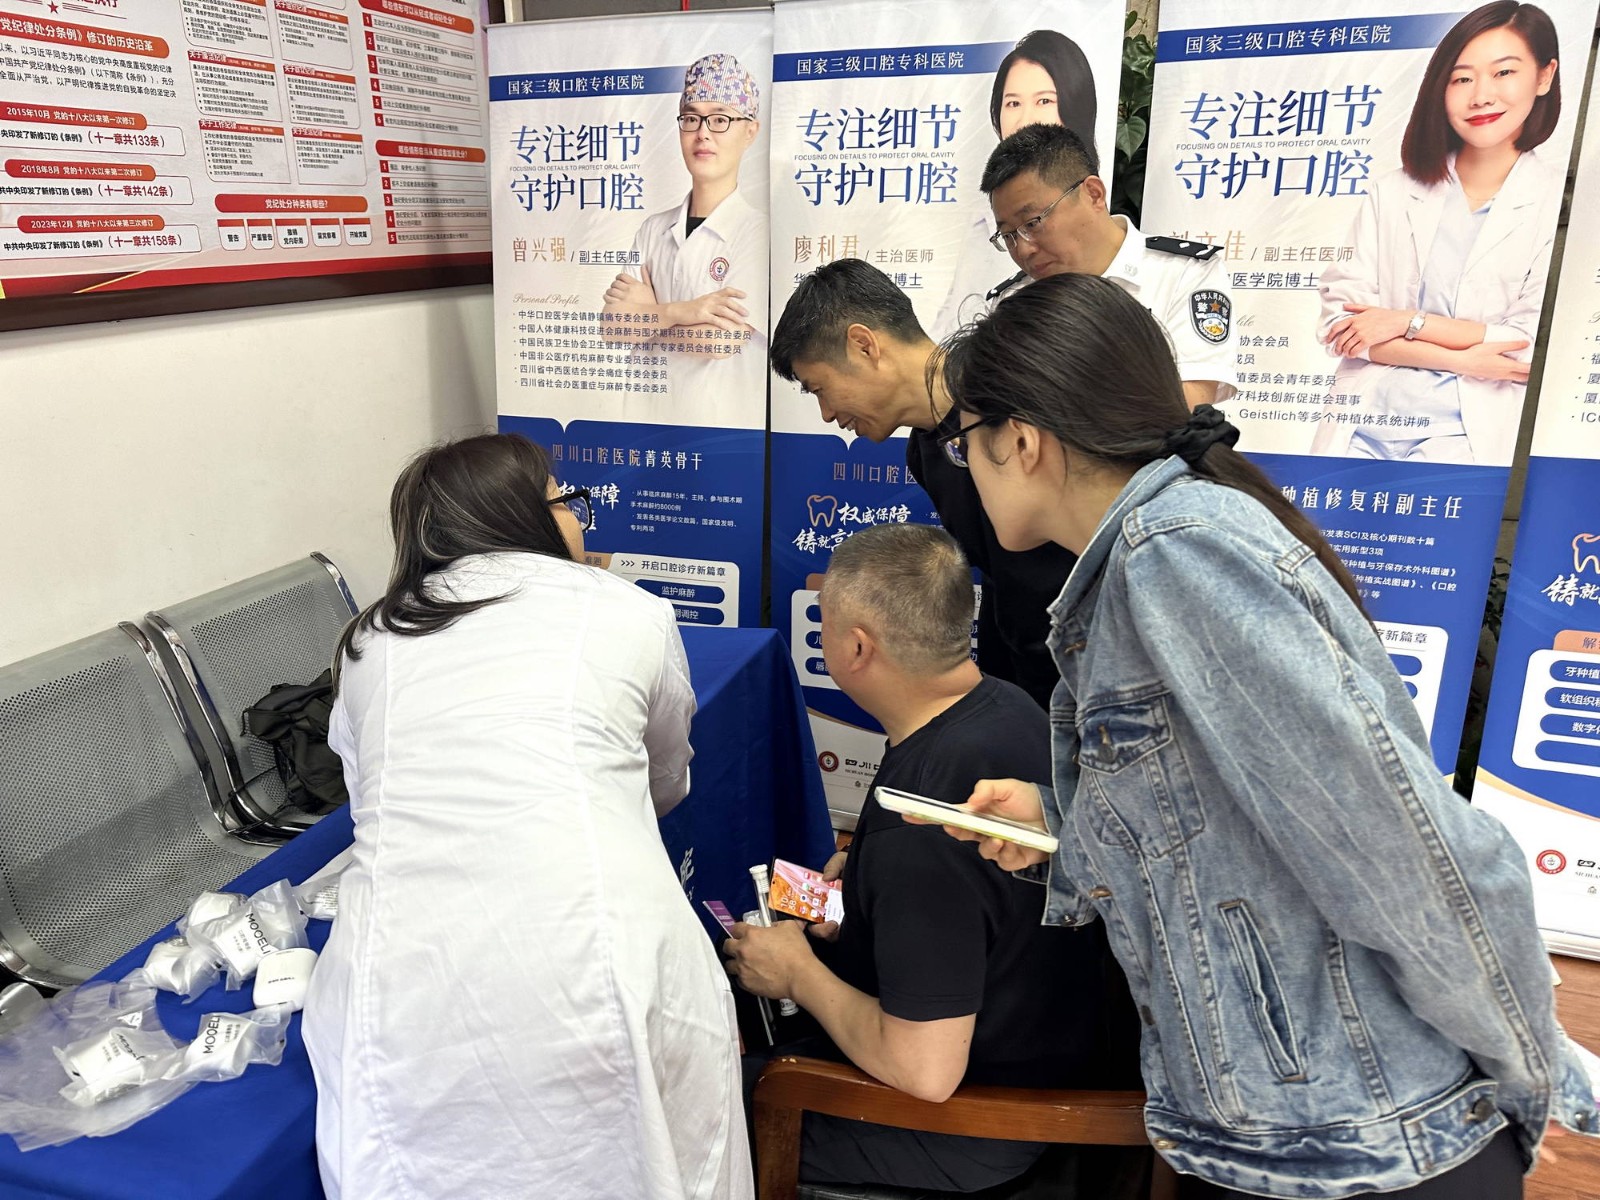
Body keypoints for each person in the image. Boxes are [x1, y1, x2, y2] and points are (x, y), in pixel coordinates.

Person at [916, 272, 1598, 1199]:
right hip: (1290, 1131)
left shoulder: (1178, 556)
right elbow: (1224, 821)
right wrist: (1059, 824)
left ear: (1024, 440)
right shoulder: (1150, 557)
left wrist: (1527, 1072)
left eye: (963, 441)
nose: (962, 465)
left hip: (1360, 1145)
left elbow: (1398, 848)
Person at [302, 433, 752, 1200]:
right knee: (652, 1162)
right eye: (565, 500)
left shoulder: (370, 638)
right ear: (521, 514)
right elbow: (665, 778)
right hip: (598, 950)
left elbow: (369, 791)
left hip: (405, 981)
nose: (577, 516)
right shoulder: (628, 611)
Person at [723, 522, 1140, 1195]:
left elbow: (924, 1072)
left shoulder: (921, 829)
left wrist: (798, 974)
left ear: (857, 647)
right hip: (1047, 1043)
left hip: (973, 1125)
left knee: (697, 1105)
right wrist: (862, 890)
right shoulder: (1008, 707)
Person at [771, 258, 1071, 709]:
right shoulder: (924, 451)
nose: (827, 414)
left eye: (819, 389)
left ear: (863, 345)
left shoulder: (1019, 406)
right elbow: (1006, 584)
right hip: (1023, 691)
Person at [1315, 1, 1562, 466]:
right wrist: (1463, 358)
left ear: (1545, 76)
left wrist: (1404, 322)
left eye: (1504, 72)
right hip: (1362, 424)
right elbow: (1342, 325)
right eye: (1461, 78)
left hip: (1464, 435)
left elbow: (1525, 342)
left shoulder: (1557, 201)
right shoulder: (1393, 192)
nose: (1481, 96)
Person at [981, 123, 1236, 410]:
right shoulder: (1011, 299)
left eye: (1032, 223)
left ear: (1093, 194)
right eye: (1008, 235)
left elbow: (1188, 404)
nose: (1023, 249)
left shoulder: (1182, 274)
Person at [601, 53, 767, 427]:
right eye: (691, 118)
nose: (702, 133)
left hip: (719, 426)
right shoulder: (653, 229)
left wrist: (648, 315)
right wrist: (682, 312)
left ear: (750, 131)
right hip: (645, 422)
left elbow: (719, 341)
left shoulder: (756, 232)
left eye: (720, 119)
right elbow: (612, 327)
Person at [933, 29, 1096, 337]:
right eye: (1013, 104)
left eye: (1044, 100)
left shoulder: (1175, 275)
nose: (1025, 120)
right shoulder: (982, 232)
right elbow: (951, 332)